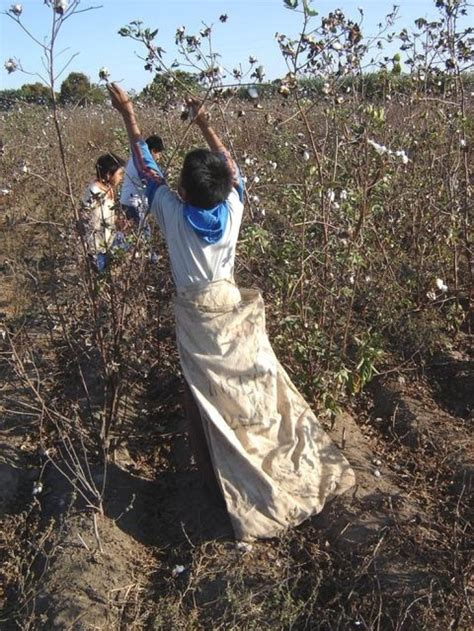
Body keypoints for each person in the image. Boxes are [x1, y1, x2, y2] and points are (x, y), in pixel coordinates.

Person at [107, 82, 355, 541]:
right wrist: (204, 123)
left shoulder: (170, 211)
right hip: (232, 309)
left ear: (181, 188)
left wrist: (128, 113)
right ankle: (258, 453)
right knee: (251, 386)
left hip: (197, 318)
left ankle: (215, 486)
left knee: (200, 399)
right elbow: (232, 168)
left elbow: (145, 165)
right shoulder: (234, 205)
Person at [82, 152, 126, 272]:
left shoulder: (109, 190)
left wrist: (118, 221)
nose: (121, 178)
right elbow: (86, 218)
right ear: (108, 174)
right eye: (119, 174)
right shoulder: (94, 191)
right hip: (96, 248)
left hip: (108, 242)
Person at [120, 134, 165, 230]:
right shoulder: (142, 162)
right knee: (143, 234)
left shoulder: (135, 159)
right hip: (133, 204)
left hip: (128, 202)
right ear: (153, 151)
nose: (159, 157)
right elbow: (150, 182)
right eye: (158, 153)